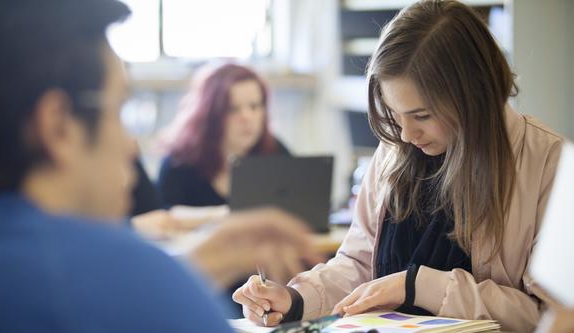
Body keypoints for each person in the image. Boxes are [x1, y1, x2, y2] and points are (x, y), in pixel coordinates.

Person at [0, 0, 321, 331]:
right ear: (59, 126)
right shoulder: (124, 282)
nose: (129, 145)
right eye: (118, 110)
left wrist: (188, 265)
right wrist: (162, 279)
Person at [233, 1, 563, 332]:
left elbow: (550, 315)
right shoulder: (396, 149)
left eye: (422, 115)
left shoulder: (550, 163)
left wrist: (418, 286)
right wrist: (295, 298)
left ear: (475, 96)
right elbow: (358, 264)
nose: (406, 133)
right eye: (394, 113)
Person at [157, 63, 290, 212]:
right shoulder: (179, 162)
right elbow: (164, 218)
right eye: (232, 109)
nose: (247, 117)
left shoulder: (275, 151)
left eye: (254, 106)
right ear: (209, 114)